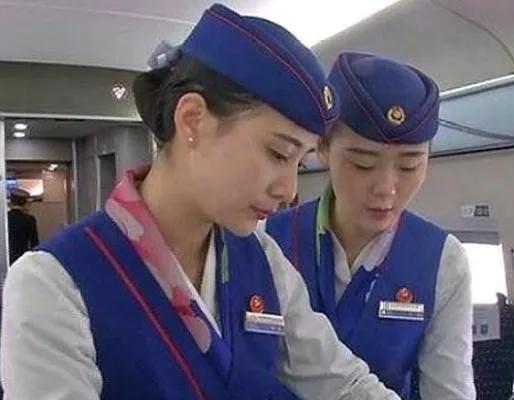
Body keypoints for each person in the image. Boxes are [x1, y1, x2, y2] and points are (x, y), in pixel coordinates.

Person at [0, 6, 400, 400]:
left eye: (300, 162)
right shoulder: (53, 282)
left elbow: (343, 384)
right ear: (192, 120)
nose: (288, 189)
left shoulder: (262, 258)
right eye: (278, 154)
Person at [267, 52, 476, 399]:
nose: (386, 188)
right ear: (322, 147)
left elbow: (449, 389)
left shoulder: (442, 259)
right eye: (363, 164)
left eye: (409, 166)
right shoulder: (268, 240)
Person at [7, 188, 39, 265]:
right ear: (24, 203)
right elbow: (34, 242)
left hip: (7, 256)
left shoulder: (4, 218)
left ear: (11, 201)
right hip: (23, 257)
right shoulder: (29, 219)